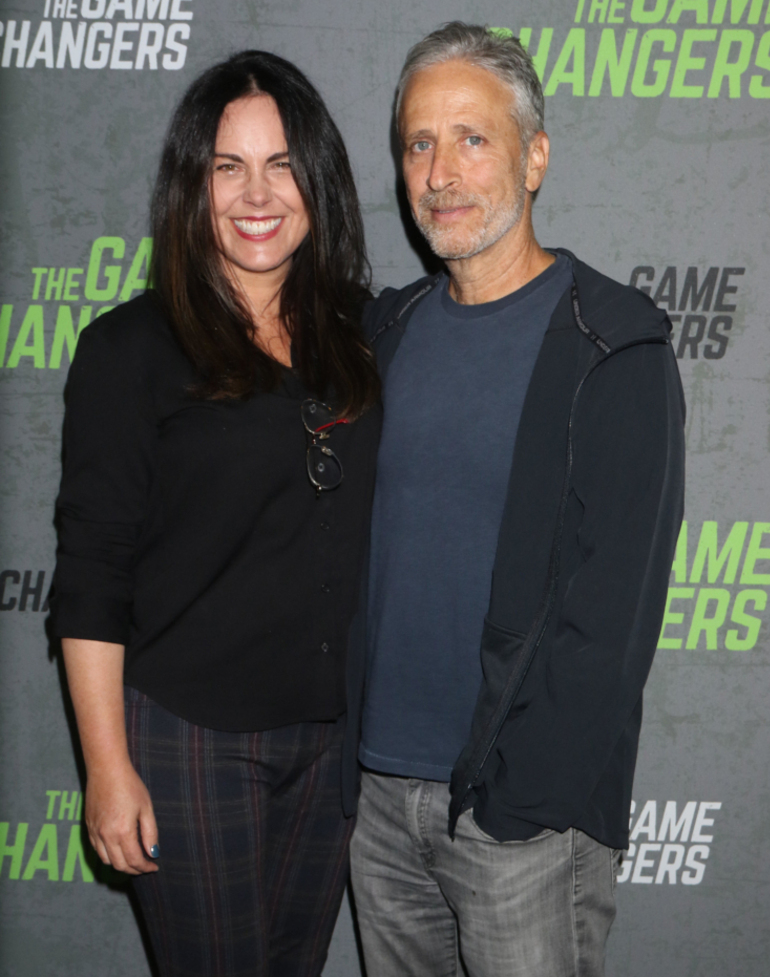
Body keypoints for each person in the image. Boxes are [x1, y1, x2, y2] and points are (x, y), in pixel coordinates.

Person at [346, 22, 685, 977]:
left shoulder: (612, 347)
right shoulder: (388, 331)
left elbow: (613, 617)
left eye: (472, 138)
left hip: (516, 823)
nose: (441, 172)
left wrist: (518, 806)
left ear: (534, 157)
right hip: (377, 805)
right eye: (420, 143)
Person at [51, 50, 381, 977]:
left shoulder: (365, 333)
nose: (255, 192)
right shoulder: (129, 348)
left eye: (280, 163)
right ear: (192, 186)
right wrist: (106, 769)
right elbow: (90, 576)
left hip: (331, 745)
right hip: (191, 738)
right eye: (226, 166)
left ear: (317, 178)